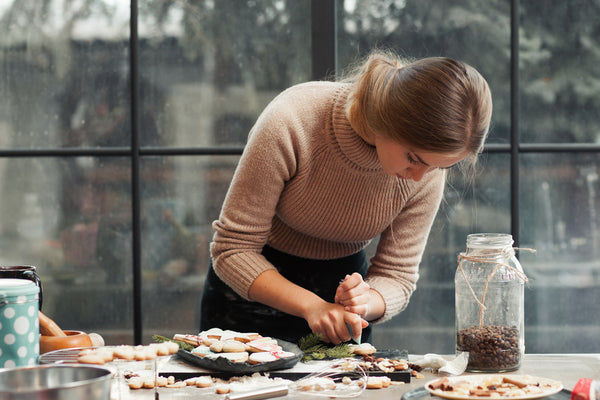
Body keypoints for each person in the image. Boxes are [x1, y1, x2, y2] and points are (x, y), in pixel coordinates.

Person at [200, 49, 493, 345]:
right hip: (248, 296)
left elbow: (397, 276)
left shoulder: (426, 171)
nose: (420, 177)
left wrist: (365, 301)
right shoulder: (291, 119)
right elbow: (232, 249)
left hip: (342, 311)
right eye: (413, 158)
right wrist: (312, 306)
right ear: (389, 118)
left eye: (439, 167)